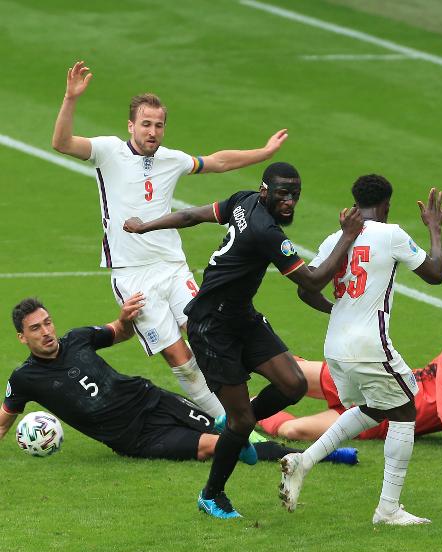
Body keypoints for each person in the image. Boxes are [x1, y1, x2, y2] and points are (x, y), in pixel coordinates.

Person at [123, 161, 363, 518]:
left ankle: (236, 422)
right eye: (282, 194)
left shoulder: (243, 201)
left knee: (293, 384)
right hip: (211, 327)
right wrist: (347, 236)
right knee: (242, 422)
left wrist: (146, 226)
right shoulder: (267, 232)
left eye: (294, 195)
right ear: (265, 191)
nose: (289, 203)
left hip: (242, 318)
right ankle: (212, 494)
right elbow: (311, 282)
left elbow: (193, 216)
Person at [51, 60, 289, 420]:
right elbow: (62, 143)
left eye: (159, 125)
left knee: (208, 334)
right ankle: (228, 424)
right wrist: (70, 99)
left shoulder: (171, 160)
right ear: (131, 125)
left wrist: (264, 153)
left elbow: (217, 162)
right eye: (146, 124)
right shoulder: (108, 151)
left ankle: (240, 418)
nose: (153, 131)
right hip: (132, 275)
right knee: (180, 357)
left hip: (173, 267)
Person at [0, 296, 357, 467]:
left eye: (47, 322)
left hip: (152, 399)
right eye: (36, 328)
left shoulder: (78, 338)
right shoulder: (25, 379)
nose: (46, 331)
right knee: (211, 446)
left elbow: (119, 332)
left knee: (232, 430)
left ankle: (320, 453)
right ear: (22, 338)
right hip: (136, 437)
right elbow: (3, 422)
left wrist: (124, 318)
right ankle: (308, 457)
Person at [279, 176, 442, 526]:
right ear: (386, 204)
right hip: (369, 345)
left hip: (336, 347)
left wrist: (340, 309)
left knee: (373, 408)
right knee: (405, 410)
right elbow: (435, 273)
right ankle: (388, 509)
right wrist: (434, 229)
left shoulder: (334, 240)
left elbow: (306, 289)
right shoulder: (391, 234)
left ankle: (303, 462)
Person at [258, 350, 442, 440]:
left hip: (381, 420)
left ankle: (247, 408)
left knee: (292, 431)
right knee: (285, 371)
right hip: (372, 382)